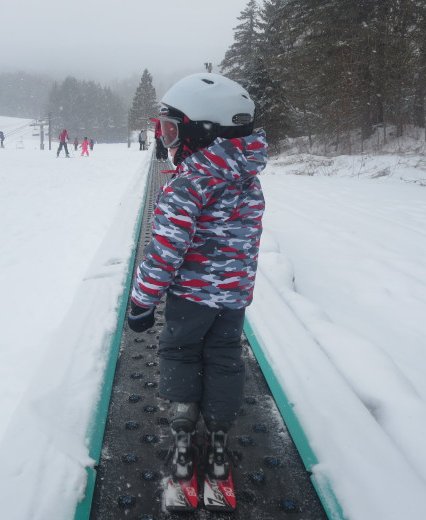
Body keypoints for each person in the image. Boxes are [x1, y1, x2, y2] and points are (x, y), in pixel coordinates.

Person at [126, 73, 266, 489]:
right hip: (234, 297)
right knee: (224, 356)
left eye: (171, 130)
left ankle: (185, 433)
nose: (167, 141)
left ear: (203, 133)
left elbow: (165, 250)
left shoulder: (189, 183)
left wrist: (143, 300)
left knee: (182, 350)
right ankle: (220, 439)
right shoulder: (247, 177)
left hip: (191, 296)